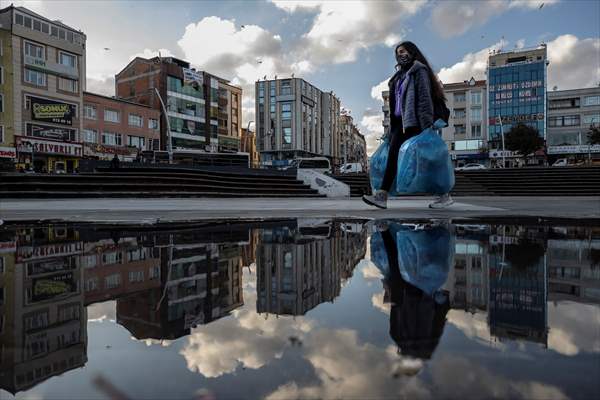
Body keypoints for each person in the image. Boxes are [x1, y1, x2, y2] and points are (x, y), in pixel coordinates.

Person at [363, 41, 454, 209]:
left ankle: (444, 195)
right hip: (400, 124)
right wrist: (390, 129)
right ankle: (382, 195)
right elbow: (395, 106)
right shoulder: (397, 77)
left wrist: (426, 126)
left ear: (412, 52)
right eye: (398, 52)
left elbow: (424, 98)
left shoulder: (419, 71)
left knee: (427, 160)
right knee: (393, 157)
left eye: (403, 51)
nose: (400, 54)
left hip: (416, 123)